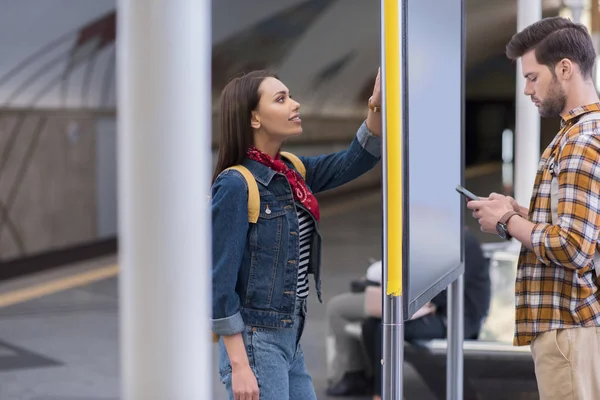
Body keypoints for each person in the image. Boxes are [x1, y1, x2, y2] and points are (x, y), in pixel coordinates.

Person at [211, 69, 382, 400]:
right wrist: (240, 366)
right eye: (281, 99)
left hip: (290, 333)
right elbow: (219, 285)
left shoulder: (290, 172)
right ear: (254, 119)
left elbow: (354, 161)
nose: (296, 103)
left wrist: (375, 106)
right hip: (256, 341)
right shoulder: (235, 185)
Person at [467, 17, 600, 400]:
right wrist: (523, 214)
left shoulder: (579, 142)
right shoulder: (583, 132)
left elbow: (573, 246)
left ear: (564, 68)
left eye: (531, 77)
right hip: (576, 328)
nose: (526, 90)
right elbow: (584, 225)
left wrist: (507, 221)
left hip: (569, 328)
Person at [356, 229, 490, 400]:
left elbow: (448, 290)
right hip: (430, 308)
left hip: (458, 317)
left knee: (387, 329)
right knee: (370, 325)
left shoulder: (463, 242)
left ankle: (383, 394)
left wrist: (416, 299)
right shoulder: (430, 239)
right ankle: (379, 386)